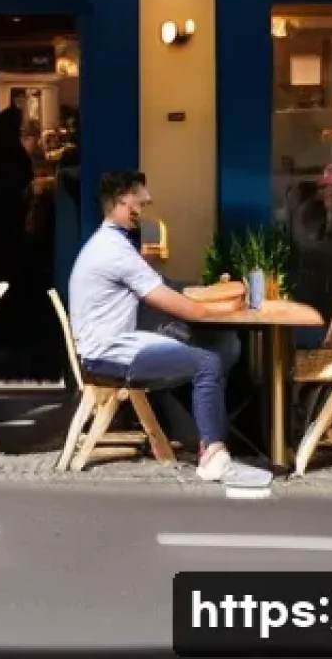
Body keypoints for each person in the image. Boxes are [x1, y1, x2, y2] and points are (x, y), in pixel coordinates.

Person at [69, 171, 269, 486]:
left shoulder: (110, 243)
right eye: (140, 200)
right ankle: (213, 455)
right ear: (123, 201)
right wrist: (230, 304)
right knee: (208, 360)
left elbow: (176, 292)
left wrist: (220, 295)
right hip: (108, 354)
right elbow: (183, 307)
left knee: (218, 344)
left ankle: (207, 439)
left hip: (114, 346)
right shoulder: (116, 252)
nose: (146, 205)